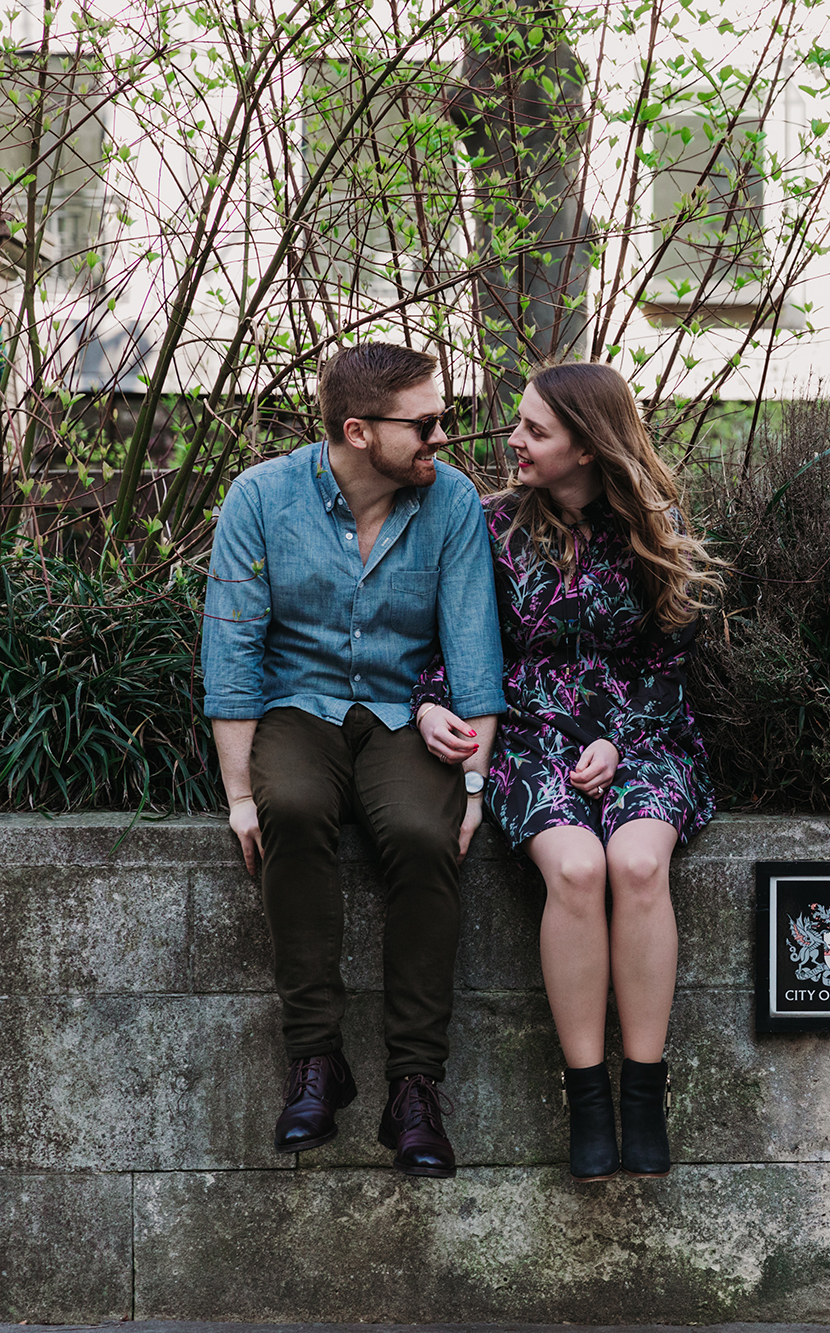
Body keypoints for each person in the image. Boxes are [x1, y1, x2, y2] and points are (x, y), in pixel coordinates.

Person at [412, 362, 723, 1180]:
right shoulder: (489, 527)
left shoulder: (656, 527)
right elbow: (451, 641)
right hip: (529, 737)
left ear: (588, 447)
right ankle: (586, 1095)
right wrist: (431, 704)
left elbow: (669, 658)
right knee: (580, 869)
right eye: (520, 425)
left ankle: (643, 1093)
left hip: (645, 738)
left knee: (637, 861)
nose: (513, 439)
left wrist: (621, 740)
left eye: (535, 430)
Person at [201, 342, 505, 1179]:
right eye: (428, 423)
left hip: (408, 710)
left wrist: (473, 788)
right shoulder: (260, 498)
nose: (443, 436)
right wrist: (239, 795)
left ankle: (414, 1087)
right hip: (297, 704)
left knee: (420, 828)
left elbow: (474, 653)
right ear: (359, 431)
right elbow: (232, 651)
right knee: (291, 810)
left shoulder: (450, 504)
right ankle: (315, 1059)